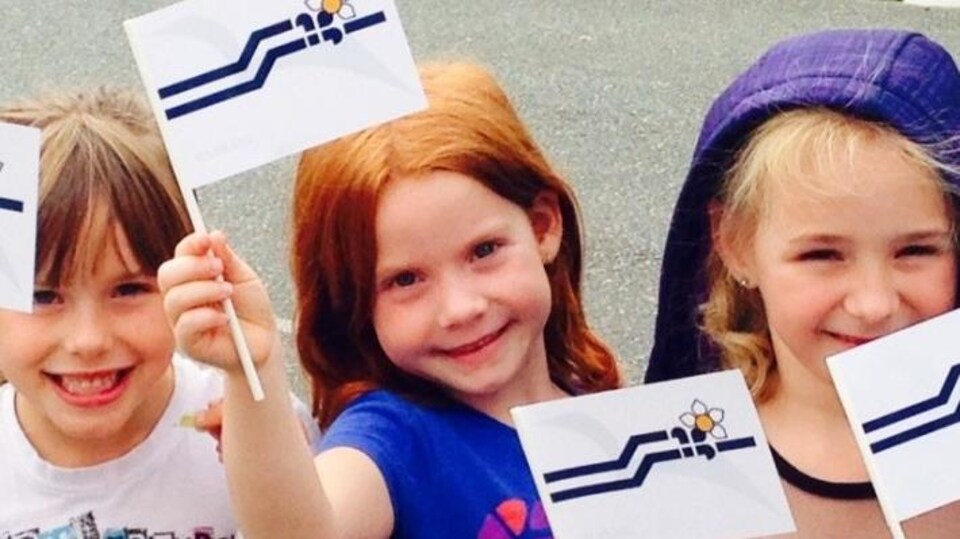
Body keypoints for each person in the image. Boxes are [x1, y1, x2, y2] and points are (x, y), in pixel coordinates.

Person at [159, 61, 621, 538]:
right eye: (405, 280)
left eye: (484, 251)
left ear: (543, 226)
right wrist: (251, 367)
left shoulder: (611, 416)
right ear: (354, 301)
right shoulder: (392, 440)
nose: (461, 308)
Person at [644, 29, 960, 536]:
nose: (873, 303)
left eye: (916, 250)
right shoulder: (667, 467)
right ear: (735, 244)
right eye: (822, 254)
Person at [0, 88, 317, 537]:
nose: (88, 340)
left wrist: (260, 404)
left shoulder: (245, 425)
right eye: (43, 296)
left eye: (128, 289)